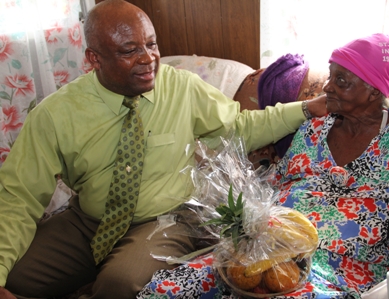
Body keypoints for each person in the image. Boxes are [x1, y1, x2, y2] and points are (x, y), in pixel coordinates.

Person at [0, 1, 326, 298]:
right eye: (129, 50)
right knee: (12, 277)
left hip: (163, 221)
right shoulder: (56, 113)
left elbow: (240, 126)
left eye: (151, 44)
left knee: (120, 284)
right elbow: (18, 196)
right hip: (87, 221)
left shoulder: (181, 87)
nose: (148, 59)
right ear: (94, 59)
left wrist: (305, 108)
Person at [138, 34, 389, 299]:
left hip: (335, 273)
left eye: (342, 81)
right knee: (168, 288)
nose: (328, 87)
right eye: (330, 76)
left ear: (373, 90)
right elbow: (272, 188)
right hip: (262, 253)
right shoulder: (314, 130)